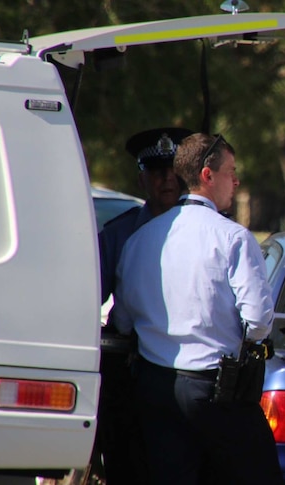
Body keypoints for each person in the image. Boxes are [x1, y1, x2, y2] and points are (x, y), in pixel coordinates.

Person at [111, 133, 282, 485]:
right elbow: (259, 322)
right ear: (207, 175)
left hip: (155, 388)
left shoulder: (139, 239)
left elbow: (123, 322)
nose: (235, 181)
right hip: (215, 389)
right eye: (230, 171)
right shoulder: (232, 237)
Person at [96, 127, 192, 485]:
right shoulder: (119, 234)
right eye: (156, 172)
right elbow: (94, 298)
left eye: (174, 171)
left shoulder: (209, 231)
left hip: (188, 370)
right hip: (132, 372)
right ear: (141, 179)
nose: (167, 180)